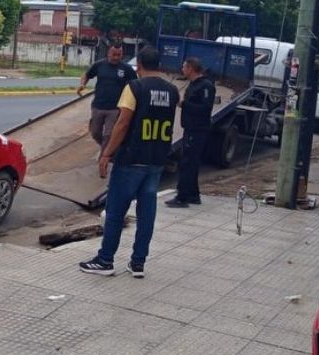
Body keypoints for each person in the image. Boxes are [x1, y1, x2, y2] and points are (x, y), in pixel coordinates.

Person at [79, 46, 179, 278]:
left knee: (114, 212)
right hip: (156, 160)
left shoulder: (134, 87)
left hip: (131, 160)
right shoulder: (173, 91)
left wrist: (106, 154)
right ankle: (138, 263)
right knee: (147, 214)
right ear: (160, 65)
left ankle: (105, 260)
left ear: (139, 65)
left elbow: (122, 124)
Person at [166, 57, 216, 208]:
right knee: (191, 162)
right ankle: (193, 195)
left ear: (191, 68)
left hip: (198, 129)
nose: (182, 70)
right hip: (190, 127)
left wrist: (184, 104)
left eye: (184, 67)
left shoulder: (205, 86)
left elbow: (205, 108)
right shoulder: (193, 85)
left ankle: (182, 196)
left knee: (187, 162)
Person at [77, 43, 137, 153]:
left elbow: (136, 83)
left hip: (115, 108)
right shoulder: (99, 65)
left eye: (119, 55)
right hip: (98, 106)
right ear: (108, 53)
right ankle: (109, 148)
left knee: (108, 135)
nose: (116, 57)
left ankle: (104, 156)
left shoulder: (126, 69)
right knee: (95, 132)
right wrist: (82, 84)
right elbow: (87, 75)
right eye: (114, 54)